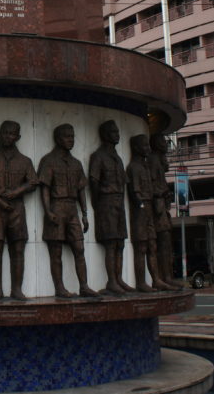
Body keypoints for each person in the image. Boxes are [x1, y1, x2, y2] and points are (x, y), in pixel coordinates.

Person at [0, 120, 38, 301]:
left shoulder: (25, 161)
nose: (8, 136)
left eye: (12, 134)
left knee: (18, 249)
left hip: (17, 209)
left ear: (18, 137)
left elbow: (33, 182)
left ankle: (17, 289)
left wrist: (17, 192)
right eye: (5, 133)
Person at [38, 123, 97, 298]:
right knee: (55, 251)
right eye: (67, 136)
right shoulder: (48, 160)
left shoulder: (76, 163)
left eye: (72, 136)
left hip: (72, 210)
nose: (71, 140)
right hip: (56, 207)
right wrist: (48, 211)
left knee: (79, 248)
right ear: (57, 139)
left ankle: (84, 286)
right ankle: (60, 288)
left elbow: (81, 191)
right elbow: (45, 188)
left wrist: (85, 214)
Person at [89, 120, 134, 295]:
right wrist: (97, 202)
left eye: (117, 131)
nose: (117, 135)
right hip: (106, 202)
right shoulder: (98, 156)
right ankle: (112, 281)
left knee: (120, 243)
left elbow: (124, 182)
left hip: (118, 203)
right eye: (114, 132)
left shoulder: (118, 158)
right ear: (106, 135)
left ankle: (119, 278)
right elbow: (94, 181)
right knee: (110, 243)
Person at [125, 135, 160, 292]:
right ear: (137, 148)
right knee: (142, 247)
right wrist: (142, 206)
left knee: (152, 245)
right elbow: (135, 191)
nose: (148, 149)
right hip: (141, 210)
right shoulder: (134, 167)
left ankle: (156, 280)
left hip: (149, 208)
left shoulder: (145, 167)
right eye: (145, 146)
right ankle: (140, 282)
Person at [149, 132, 181, 290]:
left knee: (166, 243)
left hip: (162, 203)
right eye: (162, 140)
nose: (166, 144)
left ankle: (167, 276)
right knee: (163, 242)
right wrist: (161, 194)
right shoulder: (154, 159)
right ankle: (163, 277)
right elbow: (152, 185)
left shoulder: (159, 160)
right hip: (158, 206)